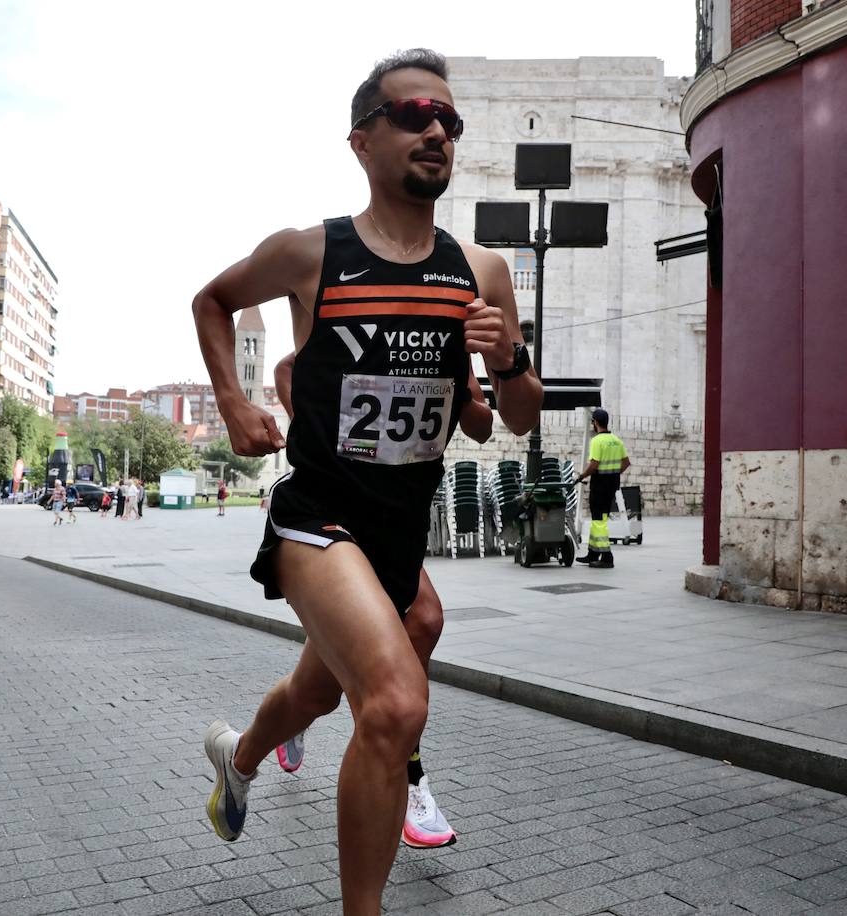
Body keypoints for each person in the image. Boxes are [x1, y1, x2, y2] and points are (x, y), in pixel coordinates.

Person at [192, 49, 541, 914]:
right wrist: (233, 403)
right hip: (316, 517)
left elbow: (522, 415)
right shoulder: (312, 253)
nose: (436, 131)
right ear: (362, 140)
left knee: (315, 692)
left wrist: (510, 358)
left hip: (396, 534)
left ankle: (238, 761)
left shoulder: (482, 270)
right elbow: (212, 300)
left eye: (449, 122)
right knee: (390, 704)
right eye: (416, 114)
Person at [270, 349, 492, 849]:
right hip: (336, 508)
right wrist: (316, 442)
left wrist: (456, 384)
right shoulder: (366, 299)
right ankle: (410, 778)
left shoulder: (443, 322)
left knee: (329, 676)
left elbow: (482, 424)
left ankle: (274, 734)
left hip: (394, 514)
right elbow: (288, 370)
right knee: (412, 632)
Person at [576, 408, 631, 568]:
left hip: (599, 485)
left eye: (592, 421)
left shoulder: (597, 441)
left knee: (599, 520)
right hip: (612, 484)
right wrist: (614, 473)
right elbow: (626, 462)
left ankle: (607, 556)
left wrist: (581, 476)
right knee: (600, 519)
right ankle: (593, 553)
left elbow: (594, 464)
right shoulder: (616, 440)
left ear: (596, 423)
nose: (592, 424)